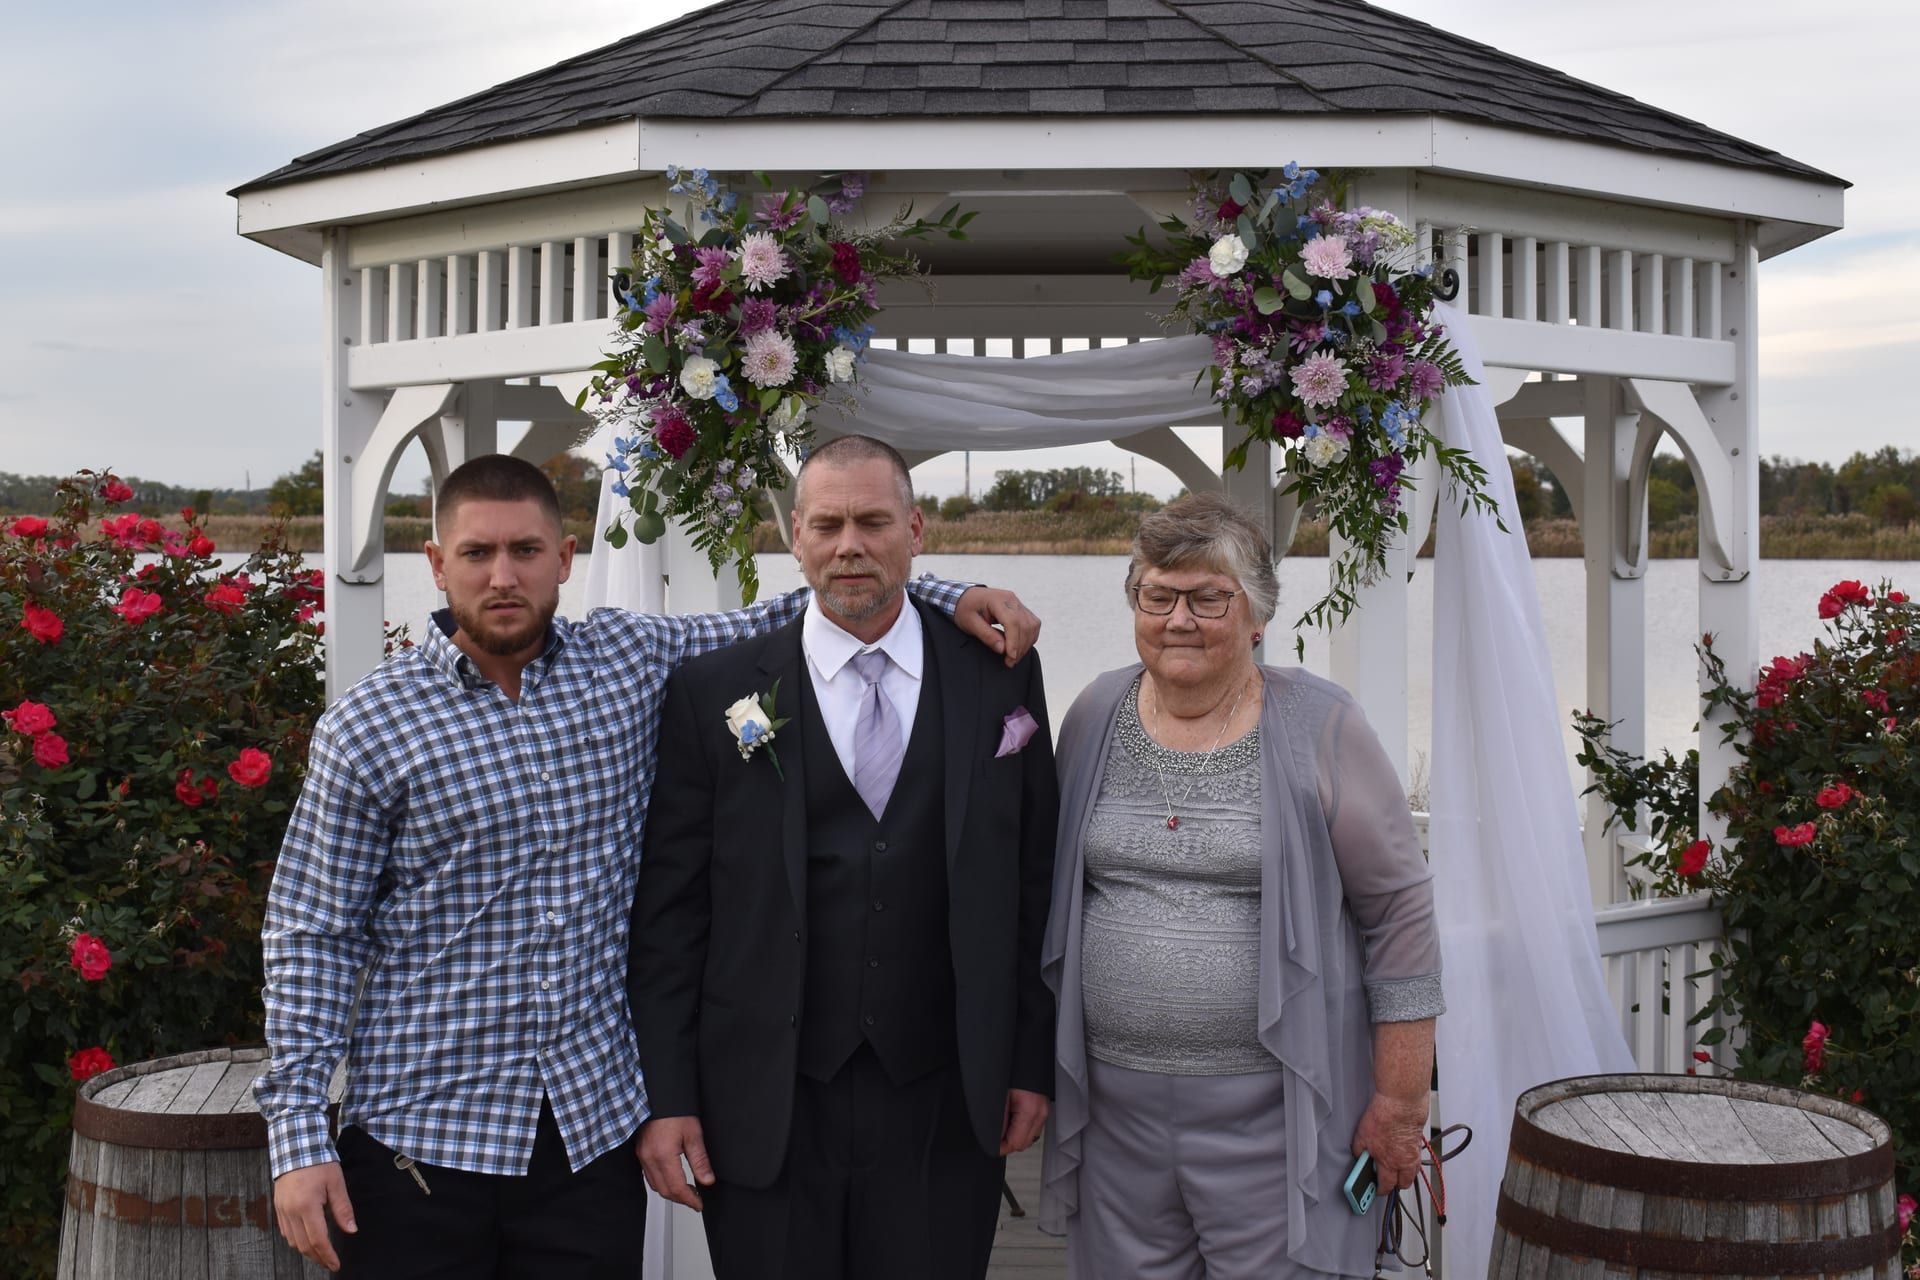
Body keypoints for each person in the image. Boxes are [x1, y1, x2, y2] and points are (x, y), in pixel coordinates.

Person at [257, 453, 1037, 1276]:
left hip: (588, 1141)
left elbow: (816, 604)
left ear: (564, 560)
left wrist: (952, 595)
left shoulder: (625, 661)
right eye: (477, 554)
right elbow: (314, 933)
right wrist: (300, 1137)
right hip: (421, 1144)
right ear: (437, 564)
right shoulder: (369, 727)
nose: (502, 576)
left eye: (526, 551)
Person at [629, 435, 1060, 1280]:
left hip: (943, 1091)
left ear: (916, 530)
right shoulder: (711, 689)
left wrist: (1027, 1063)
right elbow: (671, 918)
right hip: (764, 1100)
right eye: (827, 524)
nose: (849, 545)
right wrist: (668, 1097)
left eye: (872, 521)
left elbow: (1030, 886)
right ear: (795, 536)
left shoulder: (1000, 676)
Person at [1038, 492, 1443, 1280]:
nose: (1178, 619)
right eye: (1157, 596)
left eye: (1206, 598)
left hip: (1280, 1116)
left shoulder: (1322, 726)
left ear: (1257, 615)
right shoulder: (1093, 713)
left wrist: (1400, 1103)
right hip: (1115, 1116)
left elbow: (1399, 913)